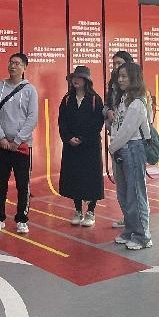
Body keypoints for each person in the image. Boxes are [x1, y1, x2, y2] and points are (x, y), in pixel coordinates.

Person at [0, 53, 39, 234]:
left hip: (22, 146)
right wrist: (2, 137)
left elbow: (32, 118)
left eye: (17, 63)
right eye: (11, 63)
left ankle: (22, 219)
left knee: (23, 183)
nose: (13, 66)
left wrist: (17, 140)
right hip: (1, 145)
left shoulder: (30, 90)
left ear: (24, 67)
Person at [107, 62, 153, 250]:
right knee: (124, 193)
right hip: (120, 149)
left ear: (134, 78)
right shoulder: (124, 99)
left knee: (136, 193)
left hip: (132, 149)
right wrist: (114, 146)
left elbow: (127, 131)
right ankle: (130, 230)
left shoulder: (137, 103)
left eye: (124, 76)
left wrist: (112, 147)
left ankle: (143, 236)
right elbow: (117, 125)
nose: (120, 80)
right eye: (119, 76)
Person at [58, 66, 105, 226]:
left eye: (79, 77)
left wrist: (82, 138)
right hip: (71, 146)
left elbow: (97, 123)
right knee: (74, 177)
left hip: (90, 146)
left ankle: (91, 211)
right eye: (74, 78)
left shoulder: (95, 99)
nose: (75, 80)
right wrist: (68, 138)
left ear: (86, 80)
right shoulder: (67, 99)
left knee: (92, 178)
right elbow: (62, 122)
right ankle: (78, 210)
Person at [105, 50, 134, 229]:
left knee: (133, 185)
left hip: (131, 142)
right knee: (121, 183)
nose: (115, 67)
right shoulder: (112, 85)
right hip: (115, 139)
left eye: (119, 63)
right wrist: (108, 111)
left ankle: (137, 223)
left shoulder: (136, 89)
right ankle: (127, 217)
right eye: (114, 64)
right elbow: (106, 105)